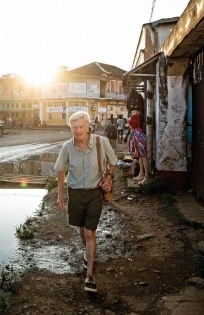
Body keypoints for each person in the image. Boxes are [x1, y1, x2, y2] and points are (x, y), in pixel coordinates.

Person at [54, 111, 117, 293]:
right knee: (80, 229)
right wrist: (60, 194)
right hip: (75, 193)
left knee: (90, 232)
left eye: (81, 127)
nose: (78, 131)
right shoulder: (67, 147)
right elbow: (60, 170)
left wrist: (109, 178)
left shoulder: (100, 142)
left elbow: (113, 162)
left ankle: (90, 275)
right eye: (74, 128)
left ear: (88, 126)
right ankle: (88, 252)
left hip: (94, 193)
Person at [129, 112, 150, 183]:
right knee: (141, 157)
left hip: (140, 139)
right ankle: (141, 174)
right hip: (139, 139)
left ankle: (146, 176)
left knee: (144, 157)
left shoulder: (137, 130)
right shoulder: (136, 130)